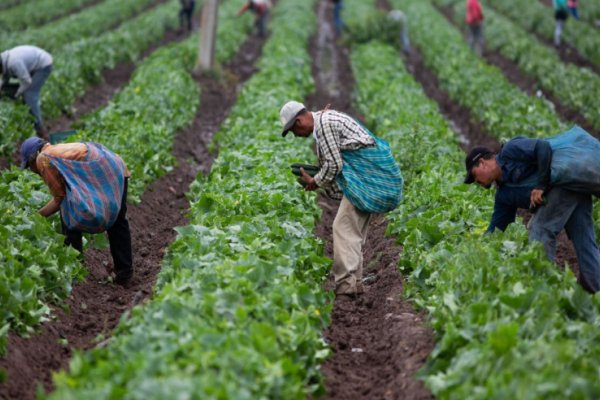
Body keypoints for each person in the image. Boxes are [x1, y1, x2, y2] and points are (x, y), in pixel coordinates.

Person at [279, 101, 403, 297]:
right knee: (352, 231)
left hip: (365, 181)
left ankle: (346, 286)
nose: (296, 135)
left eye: (293, 130)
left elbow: (334, 165)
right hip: (365, 181)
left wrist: (315, 181)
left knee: (342, 228)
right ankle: (355, 283)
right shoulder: (324, 121)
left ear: (299, 120)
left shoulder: (325, 124)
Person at [463, 131, 600, 293]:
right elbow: (497, 229)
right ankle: (596, 289)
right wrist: (478, 248)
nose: (476, 182)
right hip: (571, 191)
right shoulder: (503, 195)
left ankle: (544, 293)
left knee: (539, 230)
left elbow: (543, 147)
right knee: (583, 237)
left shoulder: (510, 150)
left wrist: (541, 185)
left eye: (474, 176)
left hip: (564, 182)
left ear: (482, 163)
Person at [20, 137, 134, 285]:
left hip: (104, 170)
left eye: (29, 166)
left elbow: (59, 198)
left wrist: (35, 216)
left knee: (68, 215)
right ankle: (124, 273)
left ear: (32, 157)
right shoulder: (57, 150)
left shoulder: (43, 159)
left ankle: (74, 268)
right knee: (118, 220)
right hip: (116, 167)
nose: (33, 170)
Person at [0, 45, 53, 136]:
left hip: (43, 65)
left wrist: (17, 94)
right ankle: (29, 114)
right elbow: (4, 78)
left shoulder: (14, 63)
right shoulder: (4, 60)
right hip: (33, 64)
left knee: (30, 93)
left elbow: (27, 81)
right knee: (6, 88)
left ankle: (40, 128)